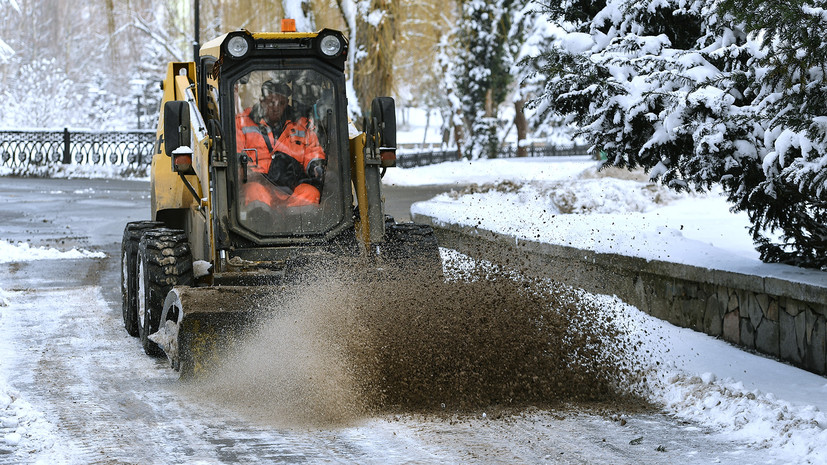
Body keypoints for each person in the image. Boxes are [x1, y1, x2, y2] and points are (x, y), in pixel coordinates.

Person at [235, 79, 326, 208]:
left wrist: (316, 167)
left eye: (281, 103)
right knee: (254, 191)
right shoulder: (242, 122)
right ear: (262, 101)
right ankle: (260, 225)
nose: (276, 107)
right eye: (272, 102)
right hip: (261, 183)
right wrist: (255, 174)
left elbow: (313, 152)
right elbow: (237, 155)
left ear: (286, 103)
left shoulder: (303, 124)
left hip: (293, 185)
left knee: (310, 193)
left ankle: (301, 226)